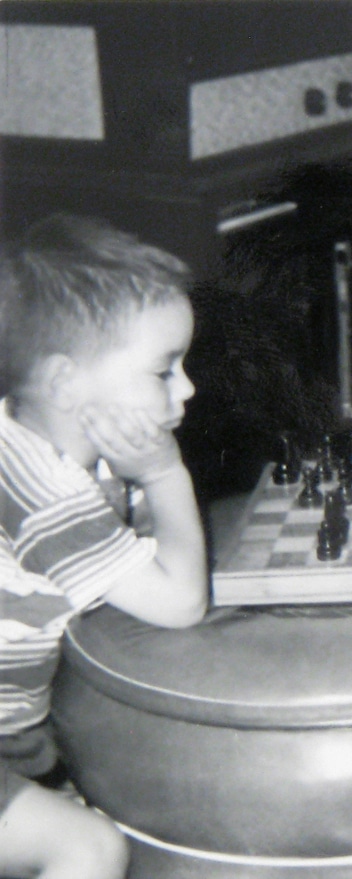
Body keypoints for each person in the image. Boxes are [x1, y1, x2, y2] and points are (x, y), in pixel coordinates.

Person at [0, 214, 208, 878]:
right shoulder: (45, 491)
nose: (188, 388)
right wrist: (164, 472)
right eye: (164, 370)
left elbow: (146, 546)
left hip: (18, 738)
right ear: (64, 384)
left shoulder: (50, 447)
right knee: (89, 848)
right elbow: (180, 600)